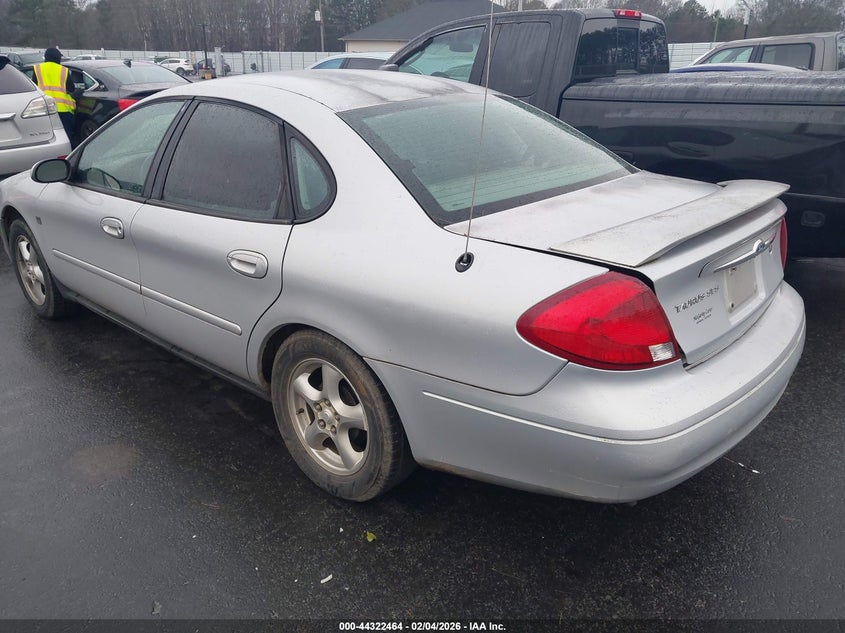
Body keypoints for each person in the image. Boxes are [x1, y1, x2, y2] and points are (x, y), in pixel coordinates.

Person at [33, 47, 76, 143]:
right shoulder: (63, 70)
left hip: (44, 109)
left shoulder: (37, 69)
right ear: (57, 58)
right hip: (63, 109)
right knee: (66, 137)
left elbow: (34, 88)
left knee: (47, 137)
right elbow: (71, 88)